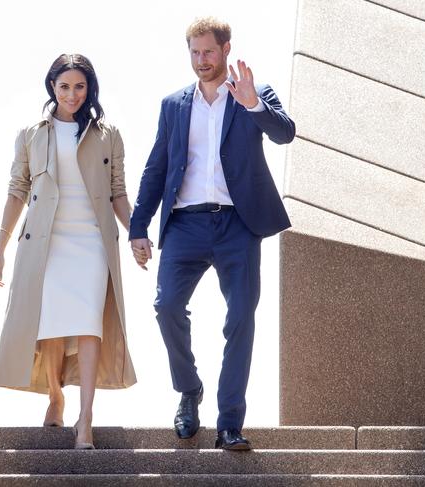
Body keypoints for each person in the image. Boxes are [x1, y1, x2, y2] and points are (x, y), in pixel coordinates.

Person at [129, 17, 295, 450]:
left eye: (208, 51)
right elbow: (156, 167)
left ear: (225, 50)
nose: (201, 61)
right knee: (166, 307)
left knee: (240, 318)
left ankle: (229, 424)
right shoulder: (174, 105)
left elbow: (285, 133)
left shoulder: (252, 95)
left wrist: (254, 103)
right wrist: (138, 226)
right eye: (194, 53)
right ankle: (189, 391)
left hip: (238, 225)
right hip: (185, 224)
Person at [0, 53, 136, 450]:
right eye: (64, 86)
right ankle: (56, 394)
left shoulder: (108, 134)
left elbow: (118, 192)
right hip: (45, 242)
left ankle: (85, 419)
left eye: (80, 86)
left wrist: (137, 232)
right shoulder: (31, 135)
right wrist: (0, 246)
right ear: (52, 87)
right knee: (50, 327)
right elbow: (17, 191)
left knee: (89, 326)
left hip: (91, 240)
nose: (72, 94)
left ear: (90, 89)